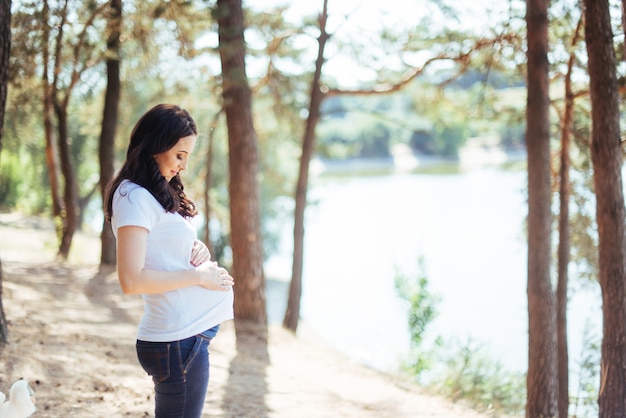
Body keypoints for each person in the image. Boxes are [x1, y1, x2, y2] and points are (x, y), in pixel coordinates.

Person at [104, 103, 234, 418]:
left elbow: (161, 247)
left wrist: (193, 248)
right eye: (179, 155)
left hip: (184, 339)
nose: (183, 166)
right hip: (177, 341)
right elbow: (131, 280)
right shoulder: (133, 197)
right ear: (155, 146)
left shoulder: (151, 191)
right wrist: (199, 277)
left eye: (187, 157)